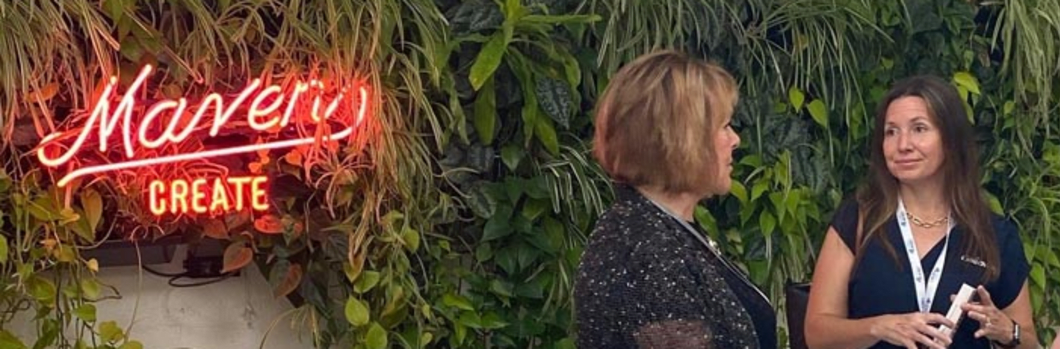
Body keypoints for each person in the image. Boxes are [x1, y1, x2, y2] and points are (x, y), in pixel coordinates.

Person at [804, 75, 1037, 349]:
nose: (903, 145)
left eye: (919, 129)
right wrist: (878, 327)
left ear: (950, 140)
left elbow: (1030, 341)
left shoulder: (994, 233)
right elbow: (817, 334)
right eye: (891, 132)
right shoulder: (858, 219)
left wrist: (1008, 331)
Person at [574, 49, 775, 349]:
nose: (735, 140)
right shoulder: (646, 253)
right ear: (683, 141)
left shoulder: (657, 227)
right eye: (724, 126)